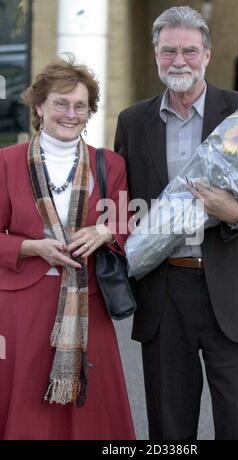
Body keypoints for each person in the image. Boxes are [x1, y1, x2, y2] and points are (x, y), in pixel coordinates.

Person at [114, 6, 238, 440]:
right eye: (169, 51)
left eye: (189, 50)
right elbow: (120, 203)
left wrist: (236, 214)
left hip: (236, 292)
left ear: (207, 54)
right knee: (169, 431)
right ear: (156, 55)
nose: (179, 61)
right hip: (166, 294)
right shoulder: (132, 122)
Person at [0, 56, 135, 440]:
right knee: (24, 408)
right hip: (21, 309)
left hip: (88, 302)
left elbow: (126, 222)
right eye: (60, 103)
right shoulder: (6, 163)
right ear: (39, 106)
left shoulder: (110, 164)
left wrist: (105, 232)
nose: (70, 113)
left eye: (80, 105)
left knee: (91, 413)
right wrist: (30, 247)